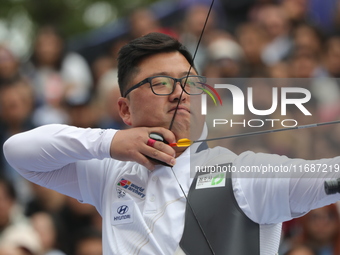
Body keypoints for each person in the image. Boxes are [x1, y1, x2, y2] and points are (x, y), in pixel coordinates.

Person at [3, 32, 340, 255]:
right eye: (160, 83)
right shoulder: (110, 172)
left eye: (190, 82)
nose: (180, 93)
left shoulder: (245, 173)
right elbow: (18, 151)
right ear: (124, 109)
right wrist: (111, 141)